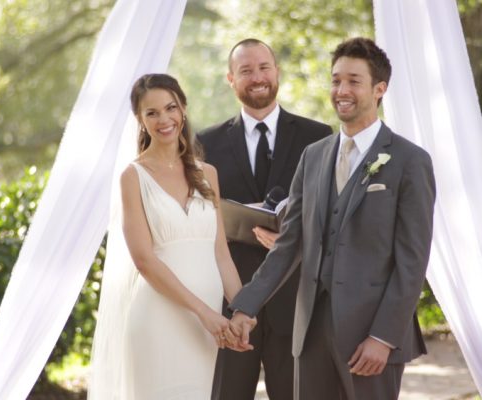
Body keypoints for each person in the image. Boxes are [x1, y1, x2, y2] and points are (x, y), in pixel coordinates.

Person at [229, 37, 436, 400]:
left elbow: (412, 262)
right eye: (336, 80)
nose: (341, 90)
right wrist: (245, 306)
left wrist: (383, 337)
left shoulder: (409, 161)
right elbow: (288, 244)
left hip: (371, 340)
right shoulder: (313, 156)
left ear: (379, 89)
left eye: (354, 81)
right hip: (309, 333)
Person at [89, 73, 243, 399]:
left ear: (183, 109)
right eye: (152, 113)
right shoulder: (133, 176)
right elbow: (144, 261)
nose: (164, 119)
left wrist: (243, 309)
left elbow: (221, 254)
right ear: (140, 121)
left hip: (205, 329)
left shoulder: (208, 174)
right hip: (160, 319)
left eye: (170, 108)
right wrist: (204, 313)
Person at [197, 38, 332, 400]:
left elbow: (331, 218)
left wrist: (297, 241)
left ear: (277, 72)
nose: (256, 77)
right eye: (245, 71)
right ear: (230, 79)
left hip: (296, 302)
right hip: (231, 300)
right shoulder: (203, 143)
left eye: (263, 68)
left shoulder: (318, 137)